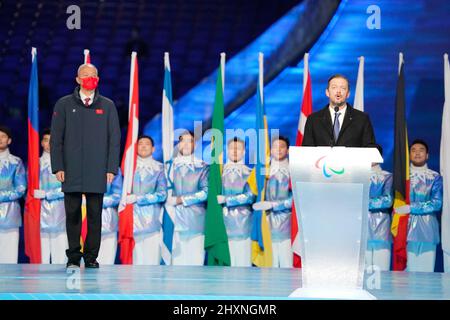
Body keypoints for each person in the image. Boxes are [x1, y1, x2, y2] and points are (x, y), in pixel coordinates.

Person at [50, 63, 121, 269]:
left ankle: (91, 257)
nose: (90, 78)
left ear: (98, 79)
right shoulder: (63, 104)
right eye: (85, 75)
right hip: (70, 169)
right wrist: (58, 166)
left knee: (94, 215)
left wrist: (111, 168)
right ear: (78, 79)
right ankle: (73, 256)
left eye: (93, 75)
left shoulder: (107, 105)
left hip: (97, 170)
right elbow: (56, 139)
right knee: (71, 214)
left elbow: (114, 139)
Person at [168, 131, 209, 266]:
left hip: (195, 221)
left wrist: (181, 200)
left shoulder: (202, 167)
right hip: (173, 220)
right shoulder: (168, 166)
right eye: (182, 140)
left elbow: (206, 192)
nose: (185, 144)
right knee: (176, 263)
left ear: (195, 145)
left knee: (195, 261)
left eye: (189, 141)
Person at [302, 74, 376, 147]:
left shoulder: (361, 119)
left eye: (343, 88)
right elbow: (306, 150)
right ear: (327, 92)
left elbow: (370, 148)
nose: (338, 91)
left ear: (348, 94)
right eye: (334, 87)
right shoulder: (313, 119)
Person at [126, 135, 167, 265]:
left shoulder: (160, 169)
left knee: (152, 264)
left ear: (153, 148)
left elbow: (162, 194)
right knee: (134, 265)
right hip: (131, 223)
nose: (143, 146)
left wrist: (138, 198)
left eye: (147, 144)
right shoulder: (127, 168)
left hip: (153, 223)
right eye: (140, 143)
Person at [253, 136, 293, 268]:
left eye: (282, 147)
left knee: (287, 263)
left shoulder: (293, 171)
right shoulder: (264, 171)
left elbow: (295, 199)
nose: (279, 150)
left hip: (287, 225)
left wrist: (274, 205)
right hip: (267, 224)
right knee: (270, 264)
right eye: (275, 147)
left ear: (287, 150)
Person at [406, 139, 443, 272]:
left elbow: (436, 203)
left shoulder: (435, 177)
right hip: (406, 227)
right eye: (413, 150)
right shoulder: (402, 176)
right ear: (409, 154)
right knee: (409, 270)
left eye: (421, 150)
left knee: (427, 271)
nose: (417, 153)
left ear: (427, 155)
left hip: (428, 228)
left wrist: (411, 207)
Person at [217, 137, 255, 267]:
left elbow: (250, 196)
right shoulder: (218, 173)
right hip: (222, 224)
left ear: (244, 151)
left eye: (238, 148)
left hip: (243, 225)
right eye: (231, 148)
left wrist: (227, 200)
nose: (234, 151)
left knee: (243, 263)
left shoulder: (250, 173)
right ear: (226, 150)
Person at [33, 128, 68, 264]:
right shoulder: (35, 164)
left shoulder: (66, 164)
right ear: (42, 143)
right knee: (42, 256)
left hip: (61, 211)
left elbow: (69, 187)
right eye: (46, 140)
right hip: (39, 212)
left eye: (53, 141)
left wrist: (47, 194)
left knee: (60, 253)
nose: (49, 144)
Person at [0, 125, 26, 263]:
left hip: (10, 216)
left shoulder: (16, 162)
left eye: (3, 136)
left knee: (9, 258)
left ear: (9, 140)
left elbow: (21, 189)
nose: (0, 139)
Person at [366, 145, 393, 271]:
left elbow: (387, 200)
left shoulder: (387, 176)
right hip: (361, 226)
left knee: (381, 270)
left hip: (381, 226)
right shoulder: (357, 176)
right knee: (364, 271)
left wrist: (363, 202)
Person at [97, 168, 122, 265]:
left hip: (108, 221)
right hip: (85, 220)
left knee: (107, 262)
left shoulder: (114, 168)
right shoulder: (84, 164)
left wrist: (94, 201)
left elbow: (118, 195)